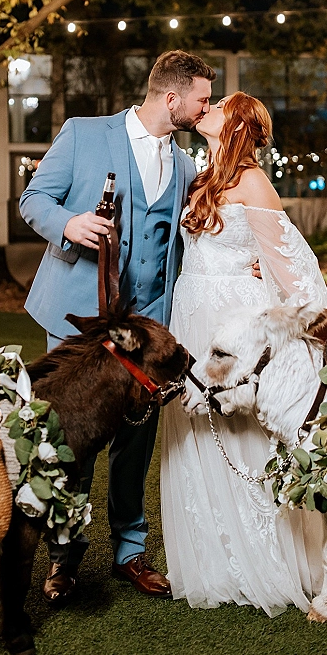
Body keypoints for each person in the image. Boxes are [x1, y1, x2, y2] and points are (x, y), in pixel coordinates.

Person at [19, 50, 216, 604]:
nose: (206, 110)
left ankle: (129, 550)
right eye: (201, 99)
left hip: (149, 325)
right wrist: (69, 222)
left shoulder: (183, 165)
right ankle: (64, 555)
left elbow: (195, 234)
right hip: (78, 320)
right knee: (69, 440)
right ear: (171, 98)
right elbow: (33, 199)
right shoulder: (83, 134)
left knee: (136, 439)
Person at [160, 91, 327, 616]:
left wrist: (318, 325)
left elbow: (289, 265)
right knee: (194, 432)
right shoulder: (199, 175)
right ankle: (213, 559)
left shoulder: (256, 183)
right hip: (192, 315)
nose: (207, 108)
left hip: (233, 320)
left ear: (236, 125)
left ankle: (273, 558)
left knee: (246, 434)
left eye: (217, 105)